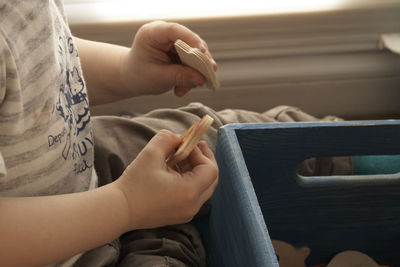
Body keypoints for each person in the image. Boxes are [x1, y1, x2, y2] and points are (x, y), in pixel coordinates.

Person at [0, 1, 353, 266]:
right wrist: (127, 205)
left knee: (231, 133)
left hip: (91, 166)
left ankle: (363, 156)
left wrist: (127, 69)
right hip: (68, 254)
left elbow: (44, 60)